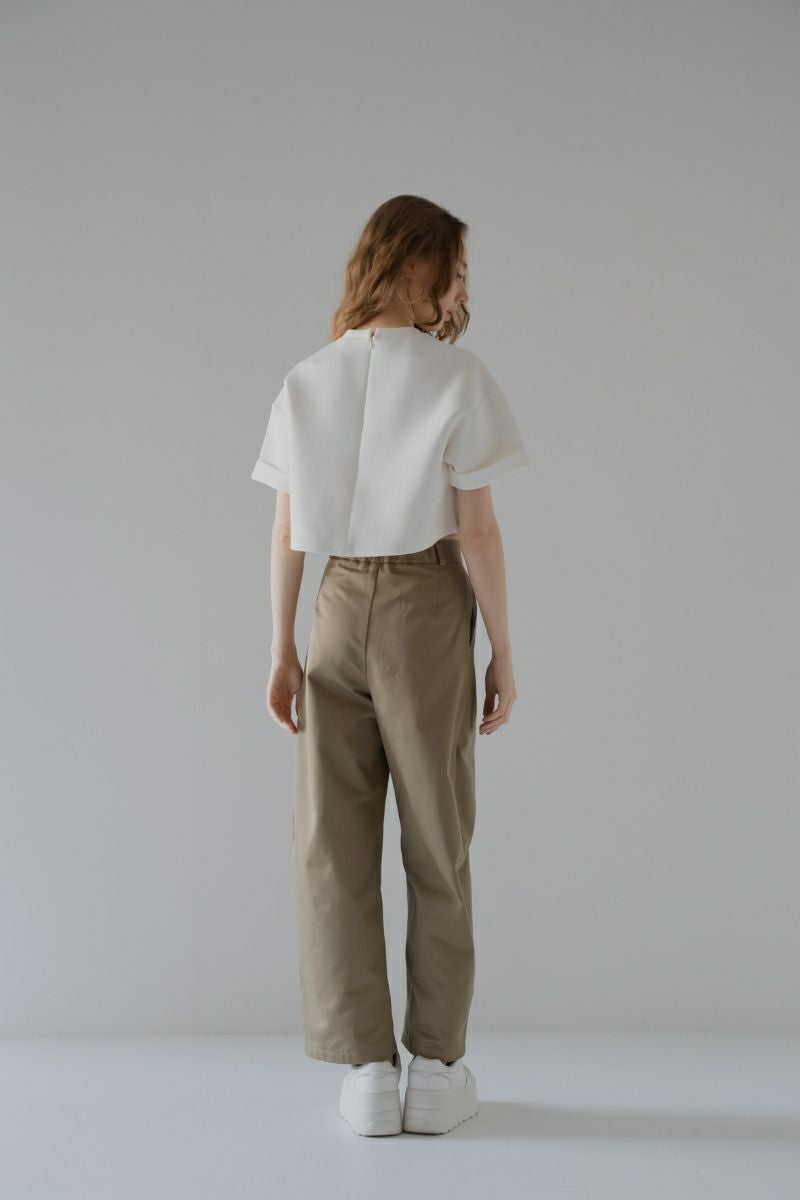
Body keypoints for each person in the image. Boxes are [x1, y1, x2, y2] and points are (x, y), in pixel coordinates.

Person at [251, 194, 531, 1136]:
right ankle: (437, 1068)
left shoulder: (306, 379)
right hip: (424, 603)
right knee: (437, 837)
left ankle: (367, 1069)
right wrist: (503, 649)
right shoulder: (457, 376)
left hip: (333, 608)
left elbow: (287, 532)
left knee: (331, 844)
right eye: (456, 270)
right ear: (417, 266)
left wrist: (282, 650)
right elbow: (477, 532)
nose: (460, 290)